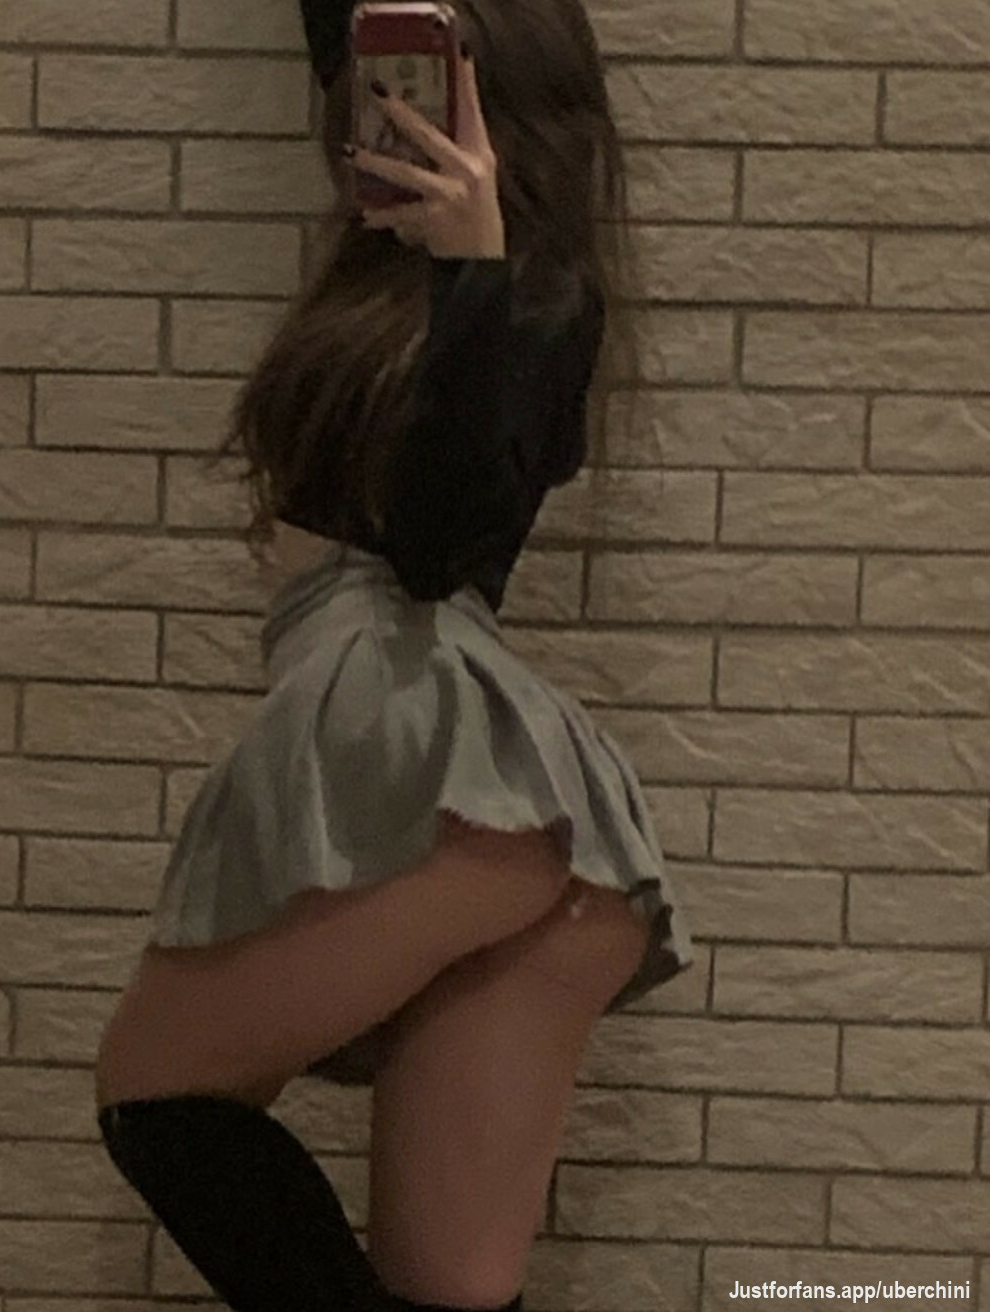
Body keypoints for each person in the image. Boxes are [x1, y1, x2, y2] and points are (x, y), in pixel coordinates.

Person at [94, 3, 695, 1311]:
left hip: (450, 786)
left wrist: (473, 273)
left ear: (507, 92)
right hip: (513, 834)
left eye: (432, 76)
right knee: (448, 1287)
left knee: (160, 1097)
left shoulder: (537, 298)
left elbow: (433, 547)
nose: (382, 107)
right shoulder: (385, 267)